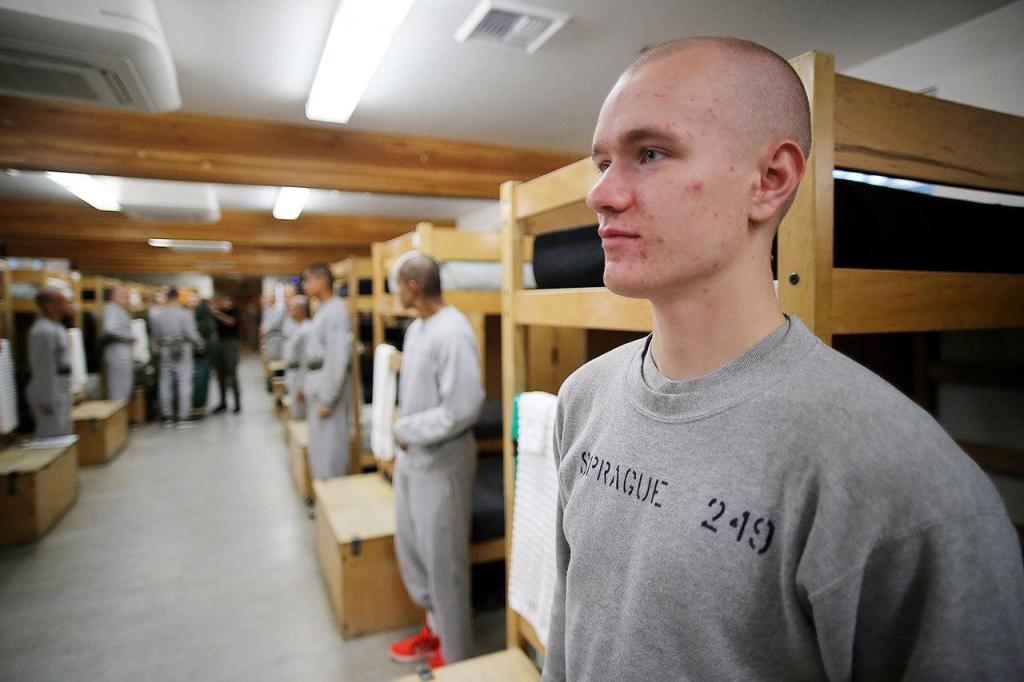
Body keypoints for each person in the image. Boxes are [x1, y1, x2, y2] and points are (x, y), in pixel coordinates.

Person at [542, 37, 1024, 682]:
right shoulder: (583, 397)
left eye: (649, 153)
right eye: (602, 161)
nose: (600, 194)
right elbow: (571, 633)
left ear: (769, 182)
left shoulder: (902, 480)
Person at [387, 255, 484, 670]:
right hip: (413, 460)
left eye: (395, 285)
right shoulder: (416, 330)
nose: (394, 293)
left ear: (412, 286)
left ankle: (456, 656)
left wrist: (406, 430)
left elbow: (463, 407)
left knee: (445, 564)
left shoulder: (454, 331)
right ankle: (435, 632)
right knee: (415, 553)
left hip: (443, 462)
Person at [300, 264, 352, 479]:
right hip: (318, 385)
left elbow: (337, 358)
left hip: (327, 390)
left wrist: (328, 399)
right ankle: (322, 494)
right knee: (320, 446)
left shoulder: (335, 311)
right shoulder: (323, 310)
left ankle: (332, 494)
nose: (304, 285)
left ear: (323, 281)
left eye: (308, 280)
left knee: (330, 447)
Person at [149, 287, 202, 427]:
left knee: (165, 383)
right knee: (184, 382)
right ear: (178, 297)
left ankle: (167, 416)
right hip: (183, 349)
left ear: (166, 298)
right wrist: (199, 344)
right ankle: (183, 417)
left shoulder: (158, 315)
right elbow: (191, 333)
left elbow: (156, 335)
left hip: (165, 349)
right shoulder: (185, 314)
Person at [26, 288, 74, 438]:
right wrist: (47, 399)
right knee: (51, 436)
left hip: (60, 387)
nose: (67, 305)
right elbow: (43, 368)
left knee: (63, 433)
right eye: (62, 302)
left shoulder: (57, 327)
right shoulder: (42, 331)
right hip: (48, 392)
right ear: (49, 306)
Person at [101, 284, 134, 402]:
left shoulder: (118, 310)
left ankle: (122, 418)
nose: (127, 299)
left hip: (121, 353)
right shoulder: (111, 309)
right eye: (124, 296)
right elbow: (110, 329)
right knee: (118, 389)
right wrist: (129, 337)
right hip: (117, 354)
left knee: (124, 387)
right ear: (115, 296)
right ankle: (118, 419)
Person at [210, 294, 242, 414]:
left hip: (231, 344)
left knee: (232, 374)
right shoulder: (215, 314)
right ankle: (223, 402)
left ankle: (237, 403)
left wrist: (217, 314)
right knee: (220, 375)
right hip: (218, 344)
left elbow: (231, 322)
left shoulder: (233, 312)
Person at [282, 295, 312, 420]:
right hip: (293, 374)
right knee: (296, 413)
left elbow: (306, 361)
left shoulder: (307, 330)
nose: (291, 312)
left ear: (302, 310)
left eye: (293, 309)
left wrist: (302, 386)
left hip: (301, 378)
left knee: (302, 416)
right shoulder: (296, 327)